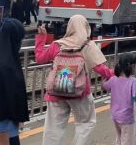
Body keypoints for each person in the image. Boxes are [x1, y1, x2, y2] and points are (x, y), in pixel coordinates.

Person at [35, 15, 113, 144]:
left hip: (56, 92)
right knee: (86, 123)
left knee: (53, 129)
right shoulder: (87, 45)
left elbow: (39, 58)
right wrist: (116, 74)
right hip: (80, 93)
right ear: (85, 27)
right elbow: (100, 69)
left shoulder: (58, 45)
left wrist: (41, 38)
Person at [103, 54, 136, 145]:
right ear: (131, 66)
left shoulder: (113, 79)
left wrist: (104, 80)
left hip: (115, 115)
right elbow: (135, 96)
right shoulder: (133, 81)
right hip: (127, 117)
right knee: (127, 141)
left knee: (119, 137)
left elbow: (105, 86)